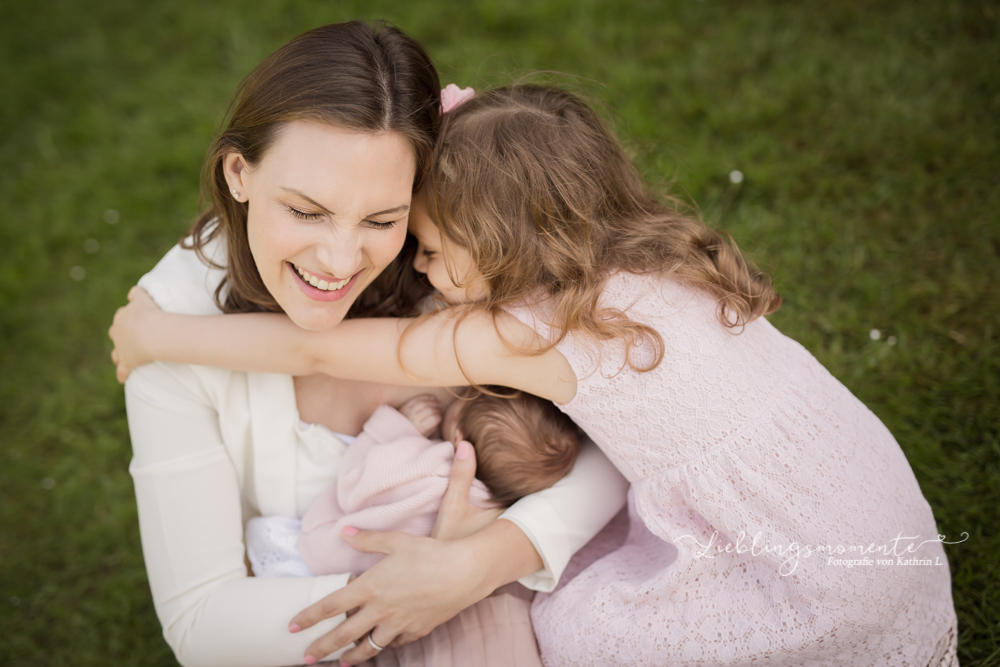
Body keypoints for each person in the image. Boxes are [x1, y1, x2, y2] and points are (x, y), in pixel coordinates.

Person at [111, 84, 959, 666]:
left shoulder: (523, 336)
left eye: (435, 250)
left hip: (800, 569)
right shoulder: (650, 264)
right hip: (867, 507)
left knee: (579, 627)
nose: (428, 273)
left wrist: (158, 335)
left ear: (503, 241)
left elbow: (316, 350)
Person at [114, 24, 629, 667]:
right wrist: (403, 594)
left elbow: (625, 436)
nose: (337, 259)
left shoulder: (462, 253)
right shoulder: (170, 328)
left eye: (382, 220)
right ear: (239, 172)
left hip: (531, 583)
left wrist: (481, 563)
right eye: (305, 210)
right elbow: (200, 622)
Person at [248, 390, 580, 578]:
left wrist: (397, 427)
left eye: (460, 402)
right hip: (360, 582)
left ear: (457, 436)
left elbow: (354, 485)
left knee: (260, 535)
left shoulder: (432, 465)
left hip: (317, 552)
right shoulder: (493, 512)